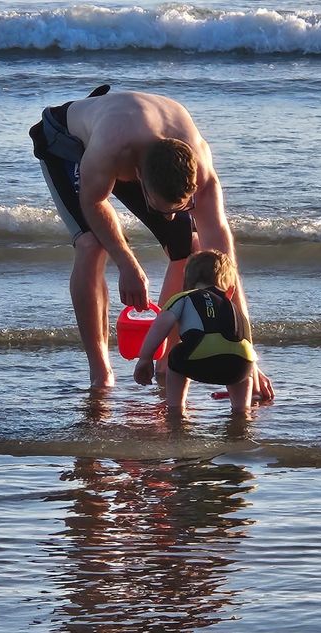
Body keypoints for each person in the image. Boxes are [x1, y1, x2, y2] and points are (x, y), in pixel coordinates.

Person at [29, 86, 273, 399]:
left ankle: (168, 363)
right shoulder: (111, 149)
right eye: (162, 210)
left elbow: (224, 266)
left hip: (132, 136)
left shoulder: (202, 170)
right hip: (66, 141)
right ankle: (101, 374)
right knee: (92, 245)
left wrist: (245, 354)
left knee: (189, 249)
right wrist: (127, 263)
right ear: (140, 180)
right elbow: (93, 203)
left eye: (181, 208)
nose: (169, 218)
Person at [134, 250, 255, 412]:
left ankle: (176, 408)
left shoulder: (184, 297)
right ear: (230, 290)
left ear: (186, 283)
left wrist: (145, 358)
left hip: (200, 360)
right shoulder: (234, 307)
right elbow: (246, 341)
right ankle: (241, 410)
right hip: (241, 367)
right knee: (242, 357)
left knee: (175, 355)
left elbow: (160, 326)